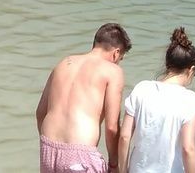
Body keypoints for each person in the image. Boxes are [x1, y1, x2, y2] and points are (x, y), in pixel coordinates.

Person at [36, 23, 131, 173]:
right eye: (121, 58)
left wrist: (51, 146)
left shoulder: (63, 63)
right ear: (116, 53)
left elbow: (40, 112)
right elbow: (112, 128)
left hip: (48, 148)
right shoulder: (113, 71)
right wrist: (114, 164)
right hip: (80, 155)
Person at [117, 28, 195, 173]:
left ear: (167, 63)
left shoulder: (141, 89)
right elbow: (188, 149)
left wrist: (123, 170)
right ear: (191, 70)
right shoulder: (190, 100)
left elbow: (125, 137)